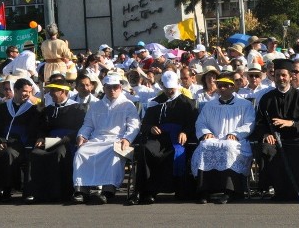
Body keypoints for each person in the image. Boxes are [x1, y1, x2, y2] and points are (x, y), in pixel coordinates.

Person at [253, 58, 299, 201]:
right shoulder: (267, 99)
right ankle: (277, 189)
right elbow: (259, 122)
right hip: (274, 139)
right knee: (266, 148)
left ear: (290, 76)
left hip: (296, 138)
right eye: (277, 75)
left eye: (284, 75)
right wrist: (266, 134)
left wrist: (292, 123)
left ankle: (296, 189)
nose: (280, 78)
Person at [72, 74, 140, 205]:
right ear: (104, 88)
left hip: (117, 139)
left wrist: (127, 139)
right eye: (109, 87)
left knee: (113, 153)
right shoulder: (96, 105)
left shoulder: (128, 105)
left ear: (120, 87)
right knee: (81, 153)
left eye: (115, 87)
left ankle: (108, 190)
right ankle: (81, 190)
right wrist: (82, 136)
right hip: (97, 139)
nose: (112, 90)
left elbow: (134, 125)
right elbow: (88, 125)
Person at [132, 70, 197, 204]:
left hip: (177, 138)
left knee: (174, 152)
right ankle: (146, 191)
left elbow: (192, 123)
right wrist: (150, 127)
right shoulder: (156, 102)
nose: (169, 92)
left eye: (172, 89)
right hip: (159, 137)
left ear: (177, 85)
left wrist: (185, 131)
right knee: (146, 149)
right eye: (167, 89)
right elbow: (144, 124)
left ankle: (178, 189)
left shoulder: (187, 102)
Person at [190, 75, 255, 204]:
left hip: (236, 140)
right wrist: (206, 133)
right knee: (205, 146)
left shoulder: (245, 104)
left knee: (229, 147)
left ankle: (229, 191)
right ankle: (204, 191)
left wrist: (236, 134)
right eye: (220, 86)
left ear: (233, 87)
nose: (222, 88)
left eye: (225, 85)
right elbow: (201, 122)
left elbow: (250, 123)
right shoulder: (210, 105)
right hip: (215, 138)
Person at [25, 76, 87, 203]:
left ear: (63, 92)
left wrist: (63, 139)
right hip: (49, 140)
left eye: (54, 91)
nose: (51, 94)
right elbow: (43, 126)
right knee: (35, 153)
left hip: (67, 141)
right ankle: (36, 192)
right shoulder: (49, 109)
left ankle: (58, 192)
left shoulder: (78, 108)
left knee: (58, 153)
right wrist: (41, 137)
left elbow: (80, 128)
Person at [0, 77, 39, 202]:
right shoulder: (4, 107)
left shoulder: (32, 109)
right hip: (2, 141)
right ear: (15, 90)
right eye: (24, 91)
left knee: (8, 154)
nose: (26, 94)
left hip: (20, 143)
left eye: (29, 92)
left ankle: (5, 190)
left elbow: (33, 130)